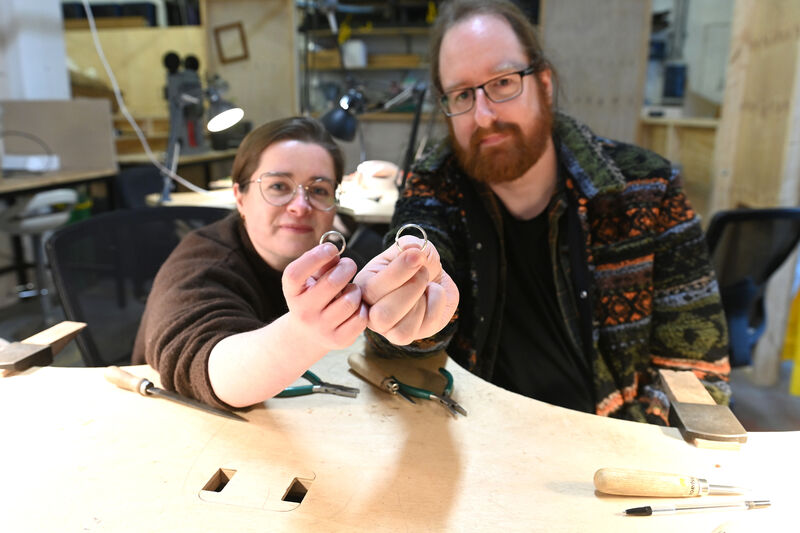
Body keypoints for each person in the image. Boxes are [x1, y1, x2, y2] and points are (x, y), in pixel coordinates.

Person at [363, 0, 731, 425]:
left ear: (545, 84)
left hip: (616, 444)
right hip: (481, 440)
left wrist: (632, 450)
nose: (483, 116)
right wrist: (407, 308)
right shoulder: (433, 186)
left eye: (502, 83)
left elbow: (699, 373)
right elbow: (411, 284)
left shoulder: (647, 188)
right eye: (462, 94)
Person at [133, 116, 457, 410]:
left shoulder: (344, 264)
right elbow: (206, 367)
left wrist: (419, 318)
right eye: (278, 186)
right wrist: (305, 334)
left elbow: (388, 345)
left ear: (335, 204)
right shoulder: (200, 263)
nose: (300, 206)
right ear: (240, 197)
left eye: (318, 189)